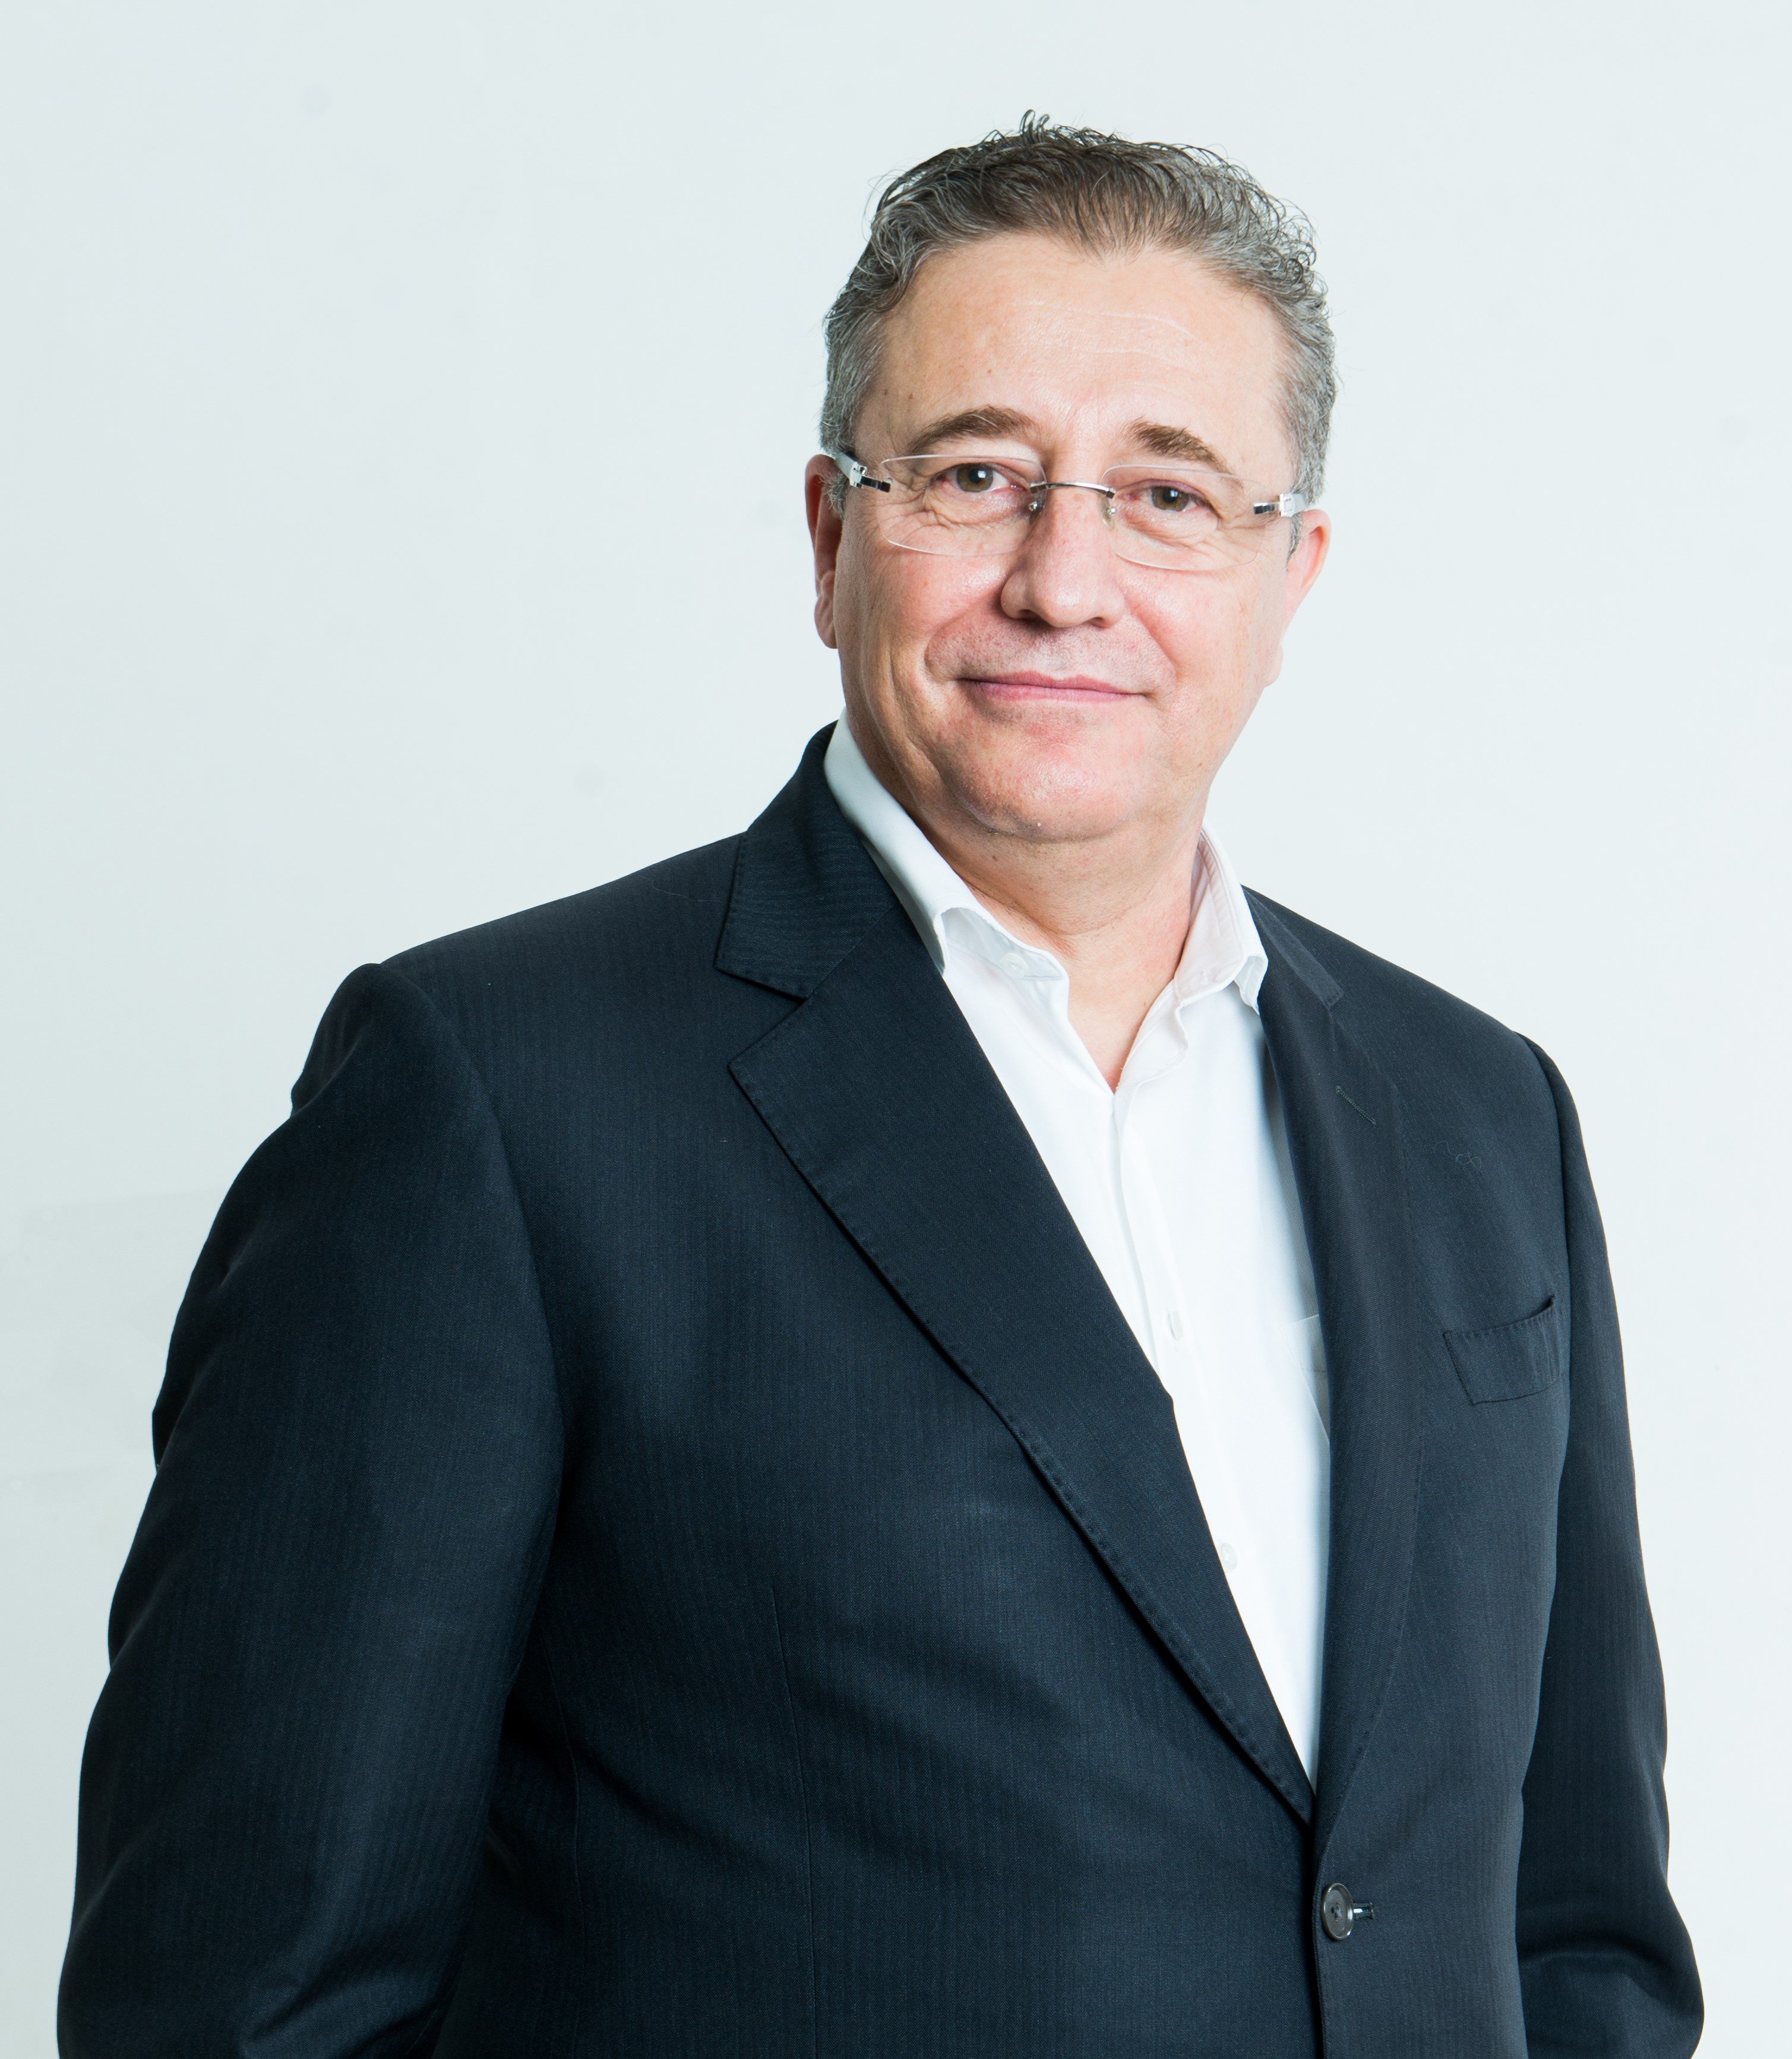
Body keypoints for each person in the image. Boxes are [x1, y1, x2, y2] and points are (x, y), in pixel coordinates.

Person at [59, 118, 1702, 2058]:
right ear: (833, 538)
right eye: (976, 474)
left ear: (1290, 575)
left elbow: (1575, 1926)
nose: (1064, 579)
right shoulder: (493, 1098)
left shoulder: (1481, 1113)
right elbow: (240, 2001)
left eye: (1168, 493)